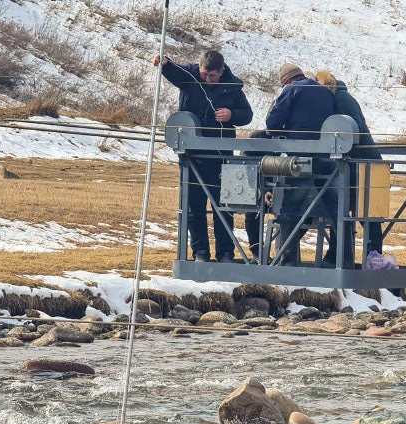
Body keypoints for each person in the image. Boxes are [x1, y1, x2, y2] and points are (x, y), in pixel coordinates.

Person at [153, 50, 253, 263]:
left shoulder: (232, 86)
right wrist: (164, 63)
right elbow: (174, 72)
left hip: (221, 156)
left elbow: (247, 114)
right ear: (199, 68)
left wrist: (231, 114)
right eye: (204, 74)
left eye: (212, 76)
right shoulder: (190, 76)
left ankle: (225, 253)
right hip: (192, 157)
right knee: (193, 207)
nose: (208, 79)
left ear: (222, 71)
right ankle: (200, 253)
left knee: (223, 206)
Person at [264, 64, 337, 265]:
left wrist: (287, 127)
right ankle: (342, 261)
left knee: (290, 210)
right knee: (336, 211)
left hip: (300, 160)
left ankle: (287, 263)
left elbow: (271, 124)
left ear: (287, 81)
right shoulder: (326, 92)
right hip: (326, 159)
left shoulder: (291, 90)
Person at [315, 70, 384, 261]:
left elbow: (355, 128)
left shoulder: (342, 98)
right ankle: (354, 256)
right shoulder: (340, 97)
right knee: (350, 211)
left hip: (363, 163)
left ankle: (372, 258)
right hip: (357, 162)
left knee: (367, 215)